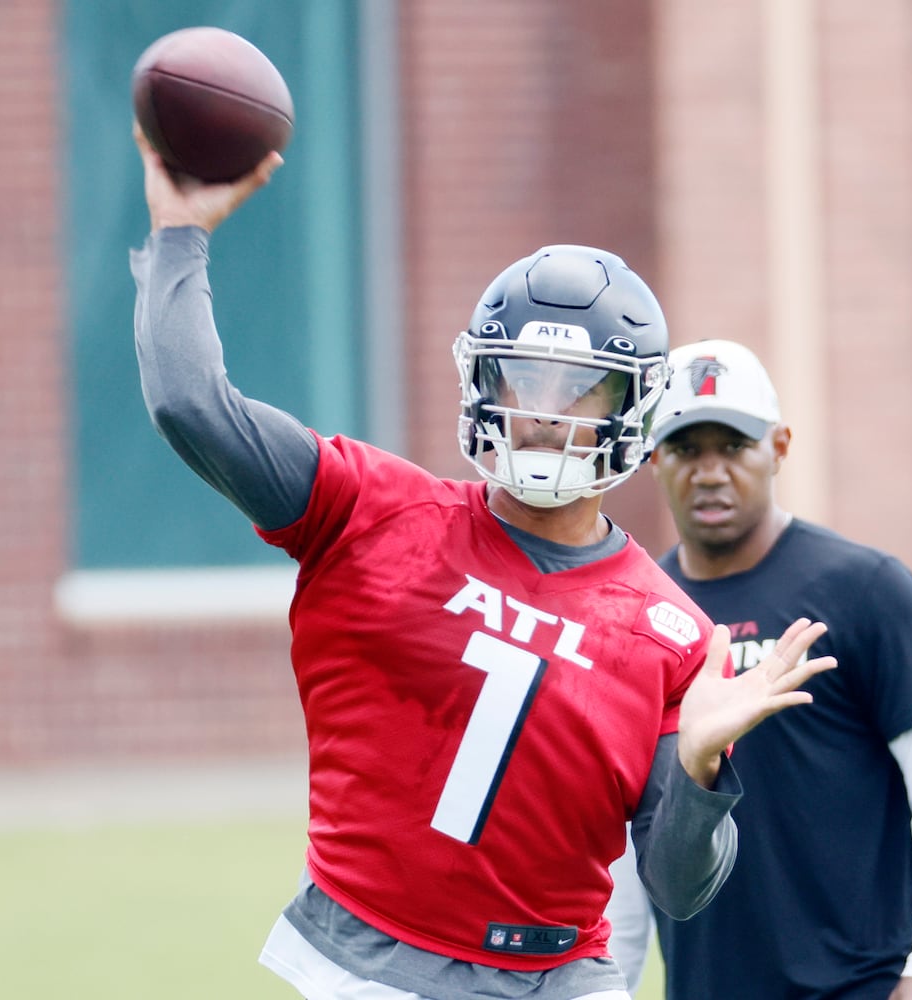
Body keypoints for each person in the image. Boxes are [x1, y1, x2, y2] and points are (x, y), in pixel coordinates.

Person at [128, 133, 837, 1000]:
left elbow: (678, 888)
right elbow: (189, 403)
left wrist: (698, 770)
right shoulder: (367, 508)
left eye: (580, 387)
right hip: (368, 965)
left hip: (563, 978)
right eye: (521, 380)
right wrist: (177, 232)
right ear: (481, 383)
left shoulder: (673, 632)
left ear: (635, 406)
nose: (542, 414)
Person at [614, 339, 912, 999]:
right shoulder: (640, 616)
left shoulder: (866, 588)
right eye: (684, 448)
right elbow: (623, 841)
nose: (708, 471)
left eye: (732, 446)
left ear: (780, 448)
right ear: (652, 458)